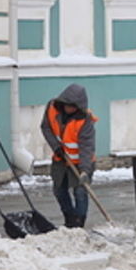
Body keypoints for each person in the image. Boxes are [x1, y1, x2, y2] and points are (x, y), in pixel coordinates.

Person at [40, 84, 98, 228]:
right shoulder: (52, 109)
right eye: (69, 105)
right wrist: (56, 146)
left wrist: (85, 170)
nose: (71, 109)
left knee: (80, 192)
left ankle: (78, 224)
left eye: (74, 107)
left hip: (80, 162)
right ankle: (70, 218)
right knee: (59, 190)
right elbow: (45, 127)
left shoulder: (85, 121)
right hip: (61, 159)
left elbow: (86, 147)